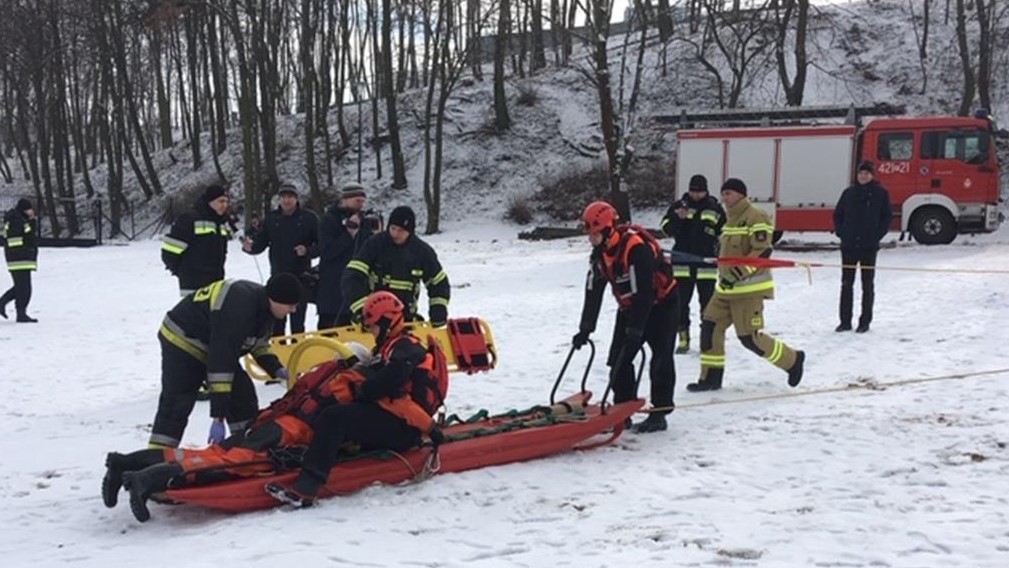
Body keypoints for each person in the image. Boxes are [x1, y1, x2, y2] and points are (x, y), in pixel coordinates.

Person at [102, 342, 375, 523]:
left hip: (267, 423)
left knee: (209, 453)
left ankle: (124, 462)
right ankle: (143, 480)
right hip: (285, 435)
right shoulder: (348, 384)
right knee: (231, 462)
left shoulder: (317, 374)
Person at [264, 291, 447, 508]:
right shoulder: (391, 347)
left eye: (373, 326)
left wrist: (361, 388)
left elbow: (384, 384)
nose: (371, 331)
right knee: (335, 411)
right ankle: (315, 453)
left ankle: (307, 487)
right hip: (398, 419)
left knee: (334, 418)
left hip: (405, 429)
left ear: (387, 321)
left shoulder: (405, 348)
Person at [148, 274, 302, 449]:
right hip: (183, 339)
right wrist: (218, 418)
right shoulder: (239, 308)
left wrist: (277, 369)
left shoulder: (265, 310)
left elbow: (258, 344)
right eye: (291, 305)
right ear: (276, 299)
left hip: (214, 345)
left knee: (242, 397)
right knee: (178, 402)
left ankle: (247, 447)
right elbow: (221, 365)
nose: (294, 310)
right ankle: (155, 456)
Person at [571, 201, 678, 433]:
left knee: (661, 358)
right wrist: (585, 329)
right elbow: (593, 292)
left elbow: (645, 294)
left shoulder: (635, 248)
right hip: (630, 306)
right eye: (590, 235)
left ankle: (660, 413)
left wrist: (636, 331)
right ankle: (622, 412)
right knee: (618, 360)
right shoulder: (599, 256)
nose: (591, 239)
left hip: (661, 305)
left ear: (609, 230)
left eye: (595, 234)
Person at [689, 178, 805, 392]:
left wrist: (736, 274)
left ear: (742, 194)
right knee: (710, 328)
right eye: (723, 193)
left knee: (749, 338)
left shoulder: (756, 216)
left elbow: (762, 251)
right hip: (725, 289)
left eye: (729, 193)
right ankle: (710, 378)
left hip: (748, 290)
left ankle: (792, 360)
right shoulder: (729, 219)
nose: (725, 198)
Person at [342, 205, 450, 327]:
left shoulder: (422, 252)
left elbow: (439, 283)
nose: (395, 234)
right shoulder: (374, 245)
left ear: (410, 231)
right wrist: (362, 310)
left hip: (405, 323)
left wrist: (438, 312)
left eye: (401, 231)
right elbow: (352, 277)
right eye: (393, 228)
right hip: (372, 323)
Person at [243, 183, 319, 335]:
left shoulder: (309, 218)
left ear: (296, 199)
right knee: (277, 323)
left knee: (298, 323)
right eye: (283, 197)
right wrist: (250, 248)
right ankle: (278, 353)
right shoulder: (271, 219)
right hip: (278, 276)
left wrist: (307, 251)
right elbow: (261, 242)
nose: (286, 201)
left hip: (301, 277)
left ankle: (298, 353)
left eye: (290, 197)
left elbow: (322, 244)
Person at [661, 174, 725, 353]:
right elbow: (666, 229)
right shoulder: (679, 207)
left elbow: (725, 233)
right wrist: (677, 219)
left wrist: (722, 252)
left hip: (706, 265)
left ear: (706, 190)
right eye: (693, 191)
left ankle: (707, 340)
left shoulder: (715, 209)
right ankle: (683, 339)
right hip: (682, 264)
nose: (696, 195)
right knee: (680, 304)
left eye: (699, 191)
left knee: (708, 305)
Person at [833, 160, 893, 333]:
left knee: (867, 284)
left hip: (868, 246)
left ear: (872, 175)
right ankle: (845, 321)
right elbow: (838, 214)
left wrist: (876, 235)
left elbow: (886, 217)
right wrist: (841, 232)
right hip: (849, 246)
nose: (863, 176)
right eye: (861, 173)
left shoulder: (880, 194)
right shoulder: (849, 193)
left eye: (866, 173)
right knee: (846, 284)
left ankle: (864, 321)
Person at [316, 183, 370, 329]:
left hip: (355, 290)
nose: (361, 205)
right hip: (332, 291)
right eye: (357, 201)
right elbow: (326, 251)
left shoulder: (363, 221)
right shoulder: (329, 220)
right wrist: (348, 233)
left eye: (362, 201)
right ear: (346, 199)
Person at [161, 185, 231, 297]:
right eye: (221, 201)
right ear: (210, 201)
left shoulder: (220, 223)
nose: (224, 205)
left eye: (226, 202)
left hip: (216, 283)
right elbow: (170, 251)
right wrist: (183, 272)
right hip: (193, 285)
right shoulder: (189, 219)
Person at [1, 198, 39, 322]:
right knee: (24, 287)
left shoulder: (19, 219)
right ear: (24, 209)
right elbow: (18, 239)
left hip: (19, 257)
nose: (31, 211)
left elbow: (30, 234)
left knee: (21, 287)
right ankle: (20, 313)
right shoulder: (16, 220)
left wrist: (32, 221)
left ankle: (9, 306)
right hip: (19, 258)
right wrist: (27, 248)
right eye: (29, 209)